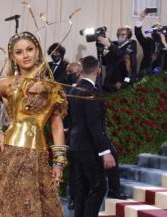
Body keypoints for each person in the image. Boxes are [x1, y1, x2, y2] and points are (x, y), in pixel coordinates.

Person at [0, 31, 68, 217]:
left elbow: (56, 124)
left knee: (40, 206)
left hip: (39, 155)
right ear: (13, 57)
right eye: (19, 52)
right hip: (11, 152)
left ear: (37, 51)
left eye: (29, 49)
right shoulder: (6, 84)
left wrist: (59, 162)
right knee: (11, 205)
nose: (26, 55)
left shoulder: (53, 87)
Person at [68, 56, 115, 217]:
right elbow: (94, 125)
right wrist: (105, 151)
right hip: (88, 148)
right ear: (98, 70)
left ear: (81, 71)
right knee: (98, 187)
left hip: (75, 145)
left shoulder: (73, 89)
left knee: (82, 190)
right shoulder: (91, 92)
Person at [98, 26, 137, 91]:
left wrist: (110, 45)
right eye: (118, 34)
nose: (120, 36)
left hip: (123, 80)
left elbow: (122, 54)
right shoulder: (114, 44)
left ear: (128, 35)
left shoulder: (132, 43)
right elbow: (105, 62)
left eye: (123, 34)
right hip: (109, 80)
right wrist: (104, 50)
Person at [135, 9, 167, 78]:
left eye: (159, 29)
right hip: (145, 71)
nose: (157, 31)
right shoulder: (148, 42)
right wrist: (141, 17)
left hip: (161, 73)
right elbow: (138, 34)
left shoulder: (165, 43)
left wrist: (164, 42)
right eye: (154, 29)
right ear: (151, 32)